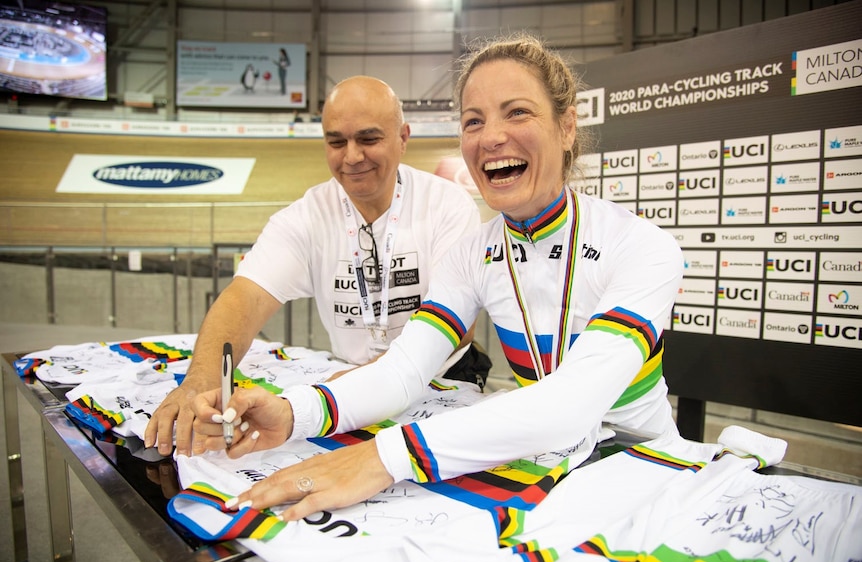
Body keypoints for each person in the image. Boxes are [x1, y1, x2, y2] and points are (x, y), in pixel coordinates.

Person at [190, 33, 684, 522]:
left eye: (517, 112)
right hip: (543, 469)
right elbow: (402, 371)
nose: (491, 137)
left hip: (642, 468)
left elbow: (572, 405)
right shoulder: (473, 252)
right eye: (474, 121)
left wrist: (384, 457)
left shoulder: (644, 247)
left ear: (567, 127)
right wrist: (294, 413)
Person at [144, 75, 487, 457]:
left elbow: (458, 325)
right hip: (350, 383)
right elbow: (245, 299)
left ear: (403, 138)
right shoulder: (307, 216)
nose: (352, 156)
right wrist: (200, 379)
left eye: (369, 139)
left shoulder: (448, 205)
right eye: (336, 142)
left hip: (439, 382)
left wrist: (353, 385)